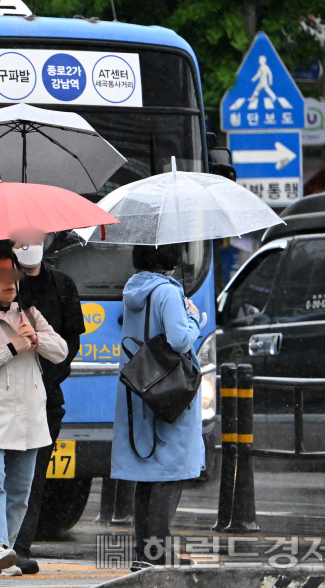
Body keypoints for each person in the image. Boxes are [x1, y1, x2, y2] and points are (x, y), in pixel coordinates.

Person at [0, 246, 68, 576]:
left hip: (28, 415)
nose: (10, 282)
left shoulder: (30, 313)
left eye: (14, 275)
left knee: (20, 490)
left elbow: (60, 351)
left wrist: (37, 339)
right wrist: (11, 347)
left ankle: (4, 549)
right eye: (1, 276)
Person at [112, 244, 202, 571]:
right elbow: (179, 340)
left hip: (141, 389)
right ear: (171, 261)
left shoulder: (134, 289)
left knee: (147, 476)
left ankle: (144, 553)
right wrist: (194, 318)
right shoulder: (166, 291)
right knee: (170, 472)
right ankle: (158, 554)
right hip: (165, 390)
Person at [8, 233, 86, 574]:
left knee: (34, 473)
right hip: (6, 397)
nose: (28, 245)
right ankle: (1, 543)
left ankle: (20, 547)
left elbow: (71, 343)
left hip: (47, 398)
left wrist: (48, 377)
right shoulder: (1, 285)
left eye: (33, 238)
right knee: (2, 472)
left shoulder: (63, 285)